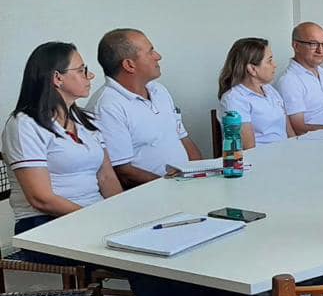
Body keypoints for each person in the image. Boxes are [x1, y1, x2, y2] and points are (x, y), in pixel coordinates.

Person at [2, 42, 121, 239]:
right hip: (46, 223)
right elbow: (41, 199)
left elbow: (107, 177)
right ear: (57, 78)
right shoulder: (24, 125)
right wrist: (97, 220)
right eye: (82, 70)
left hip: (93, 216)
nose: (90, 76)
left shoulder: (87, 120)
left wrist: (122, 214)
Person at [92, 28, 202, 188]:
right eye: (150, 52)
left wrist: (202, 175)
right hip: (155, 192)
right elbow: (122, 171)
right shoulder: (107, 106)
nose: (158, 56)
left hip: (186, 185)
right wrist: (171, 186)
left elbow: (183, 138)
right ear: (129, 65)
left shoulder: (159, 90)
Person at [218, 38, 294, 149]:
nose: (274, 65)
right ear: (252, 69)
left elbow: (289, 132)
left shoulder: (270, 90)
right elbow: (248, 149)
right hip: (262, 157)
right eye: (269, 61)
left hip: (284, 152)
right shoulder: (233, 99)